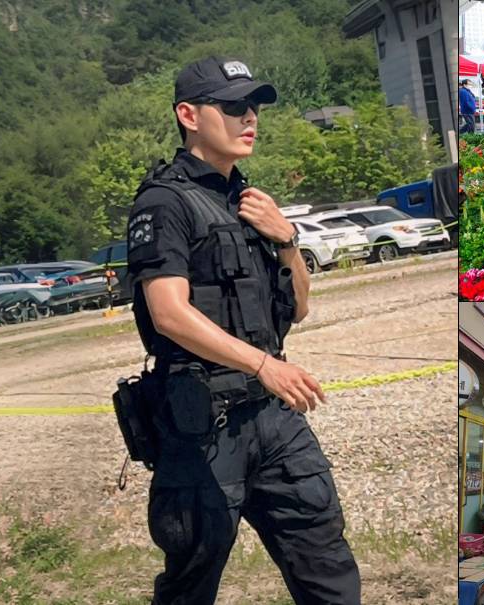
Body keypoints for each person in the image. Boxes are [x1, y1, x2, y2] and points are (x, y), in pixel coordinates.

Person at [124, 56, 360, 604]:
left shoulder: (251, 202)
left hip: (276, 421)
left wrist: (286, 240)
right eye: (232, 107)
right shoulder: (164, 202)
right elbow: (168, 312)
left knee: (328, 567)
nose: (249, 118)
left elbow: (297, 310)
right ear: (188, 114)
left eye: (253, 107)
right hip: (203, 424)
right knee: (191, 582)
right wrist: (262, 363)